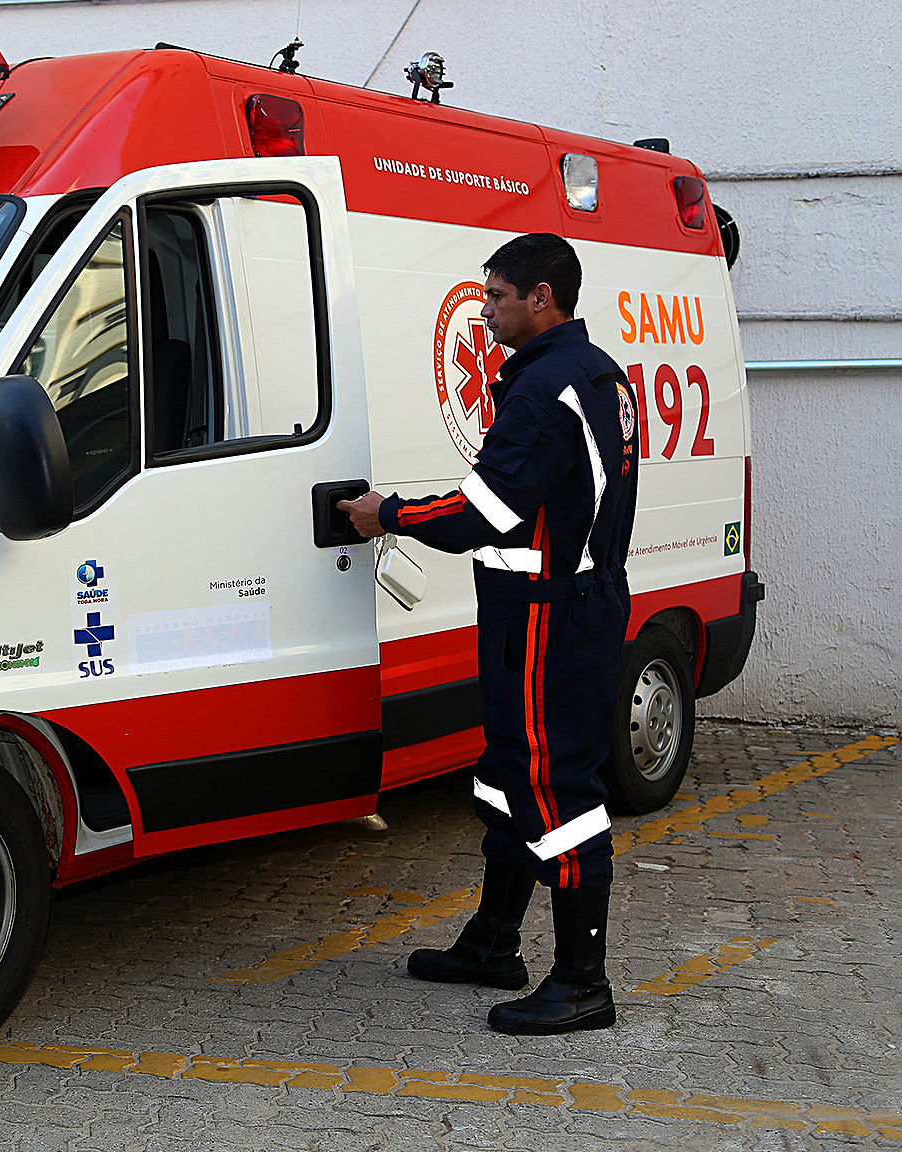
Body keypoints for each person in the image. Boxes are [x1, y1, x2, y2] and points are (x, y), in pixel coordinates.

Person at [338, 233, 638, 1035]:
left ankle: (583, 981)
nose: (487, 309)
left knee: (557, 789)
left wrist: (386, 515)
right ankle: (494, 942)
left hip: (551, 612)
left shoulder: (546, 388)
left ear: (543, 296)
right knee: (508, 774)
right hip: (544, 605)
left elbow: (486, 511)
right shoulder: (594, 372)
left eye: (498, 296)